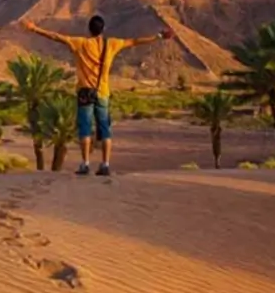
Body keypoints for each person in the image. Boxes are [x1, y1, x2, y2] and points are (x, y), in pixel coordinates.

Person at [21, 15, 174, 176]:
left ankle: (85, 164)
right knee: (105, 130)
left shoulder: (80, 43)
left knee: (85, 129)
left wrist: (34, 29)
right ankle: (105, 164)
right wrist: (158, 37)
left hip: (85, 93)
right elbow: (135, 41)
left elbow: (56, 37)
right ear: (103, 29)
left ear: (89, 29)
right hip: (103, 93)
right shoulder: (112, 44)